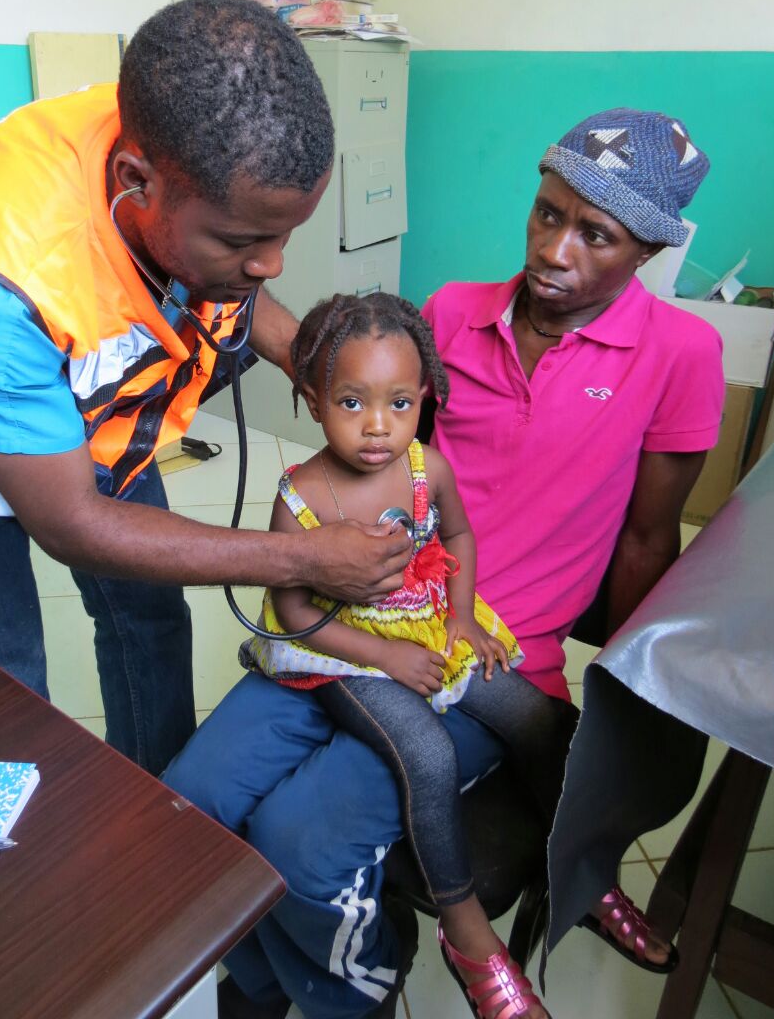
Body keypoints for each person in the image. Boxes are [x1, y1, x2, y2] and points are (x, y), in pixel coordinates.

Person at [163, 108, 726, 1017]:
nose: (555, 250)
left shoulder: (681, 353)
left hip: (491, 658)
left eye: (596, 235)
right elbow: (379, 456)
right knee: (190, 802)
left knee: (299, 846)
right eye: (547, 214)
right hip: (355, 619)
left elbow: (648, 540)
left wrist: (629, 711)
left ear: (650, 248)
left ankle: (361, 986)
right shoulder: (454, 314)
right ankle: (264, 990)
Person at [0, 0, 411, 776]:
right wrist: (296, 558)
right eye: (244, 242)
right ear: (137, 181)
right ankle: (21, 856)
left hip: (65, 381)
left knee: (149, 617)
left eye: (285, 236)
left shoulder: (185, 138)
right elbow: (69, 521)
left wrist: (314, 359)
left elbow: (227, 270)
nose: (272, 265)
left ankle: (162, 801)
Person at [242, 290, 551, 1019]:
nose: (378, 426)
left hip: (424, 622)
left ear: (424, 400)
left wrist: (462, 622)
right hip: (345, 649)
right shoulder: (300, 496)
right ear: (313, 400)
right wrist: (385, 658)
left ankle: (563, 851)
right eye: (352, 402)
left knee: (536, 717)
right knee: (427, 751)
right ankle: (466, 929)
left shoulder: (426, 469)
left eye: (400, 403)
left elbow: (460, 540)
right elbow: (293, 614)